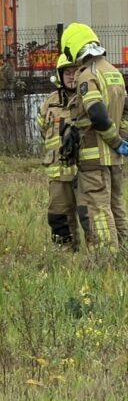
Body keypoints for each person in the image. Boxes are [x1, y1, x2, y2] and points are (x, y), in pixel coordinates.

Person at [60, 23, 128, 250]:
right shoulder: (114, 72)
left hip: (94, 159)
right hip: (115, 159)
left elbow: (96, 113)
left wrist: (116, 141)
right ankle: (124, 250)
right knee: (116, 205)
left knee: (99, 208)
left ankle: (107, 257)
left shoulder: (87, 75)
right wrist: (121, 140)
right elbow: (126, 111)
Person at [35, 54, 92, 249]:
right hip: (58, 173)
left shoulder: (89, 97)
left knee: (90, 216)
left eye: (75, 71)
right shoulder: (49, 102)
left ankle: (98, 258)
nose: (71, 76)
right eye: (67, 72)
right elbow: (43, 129)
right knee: (58, 217)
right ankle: (66, 257)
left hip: (85, 170)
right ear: (60, 75)